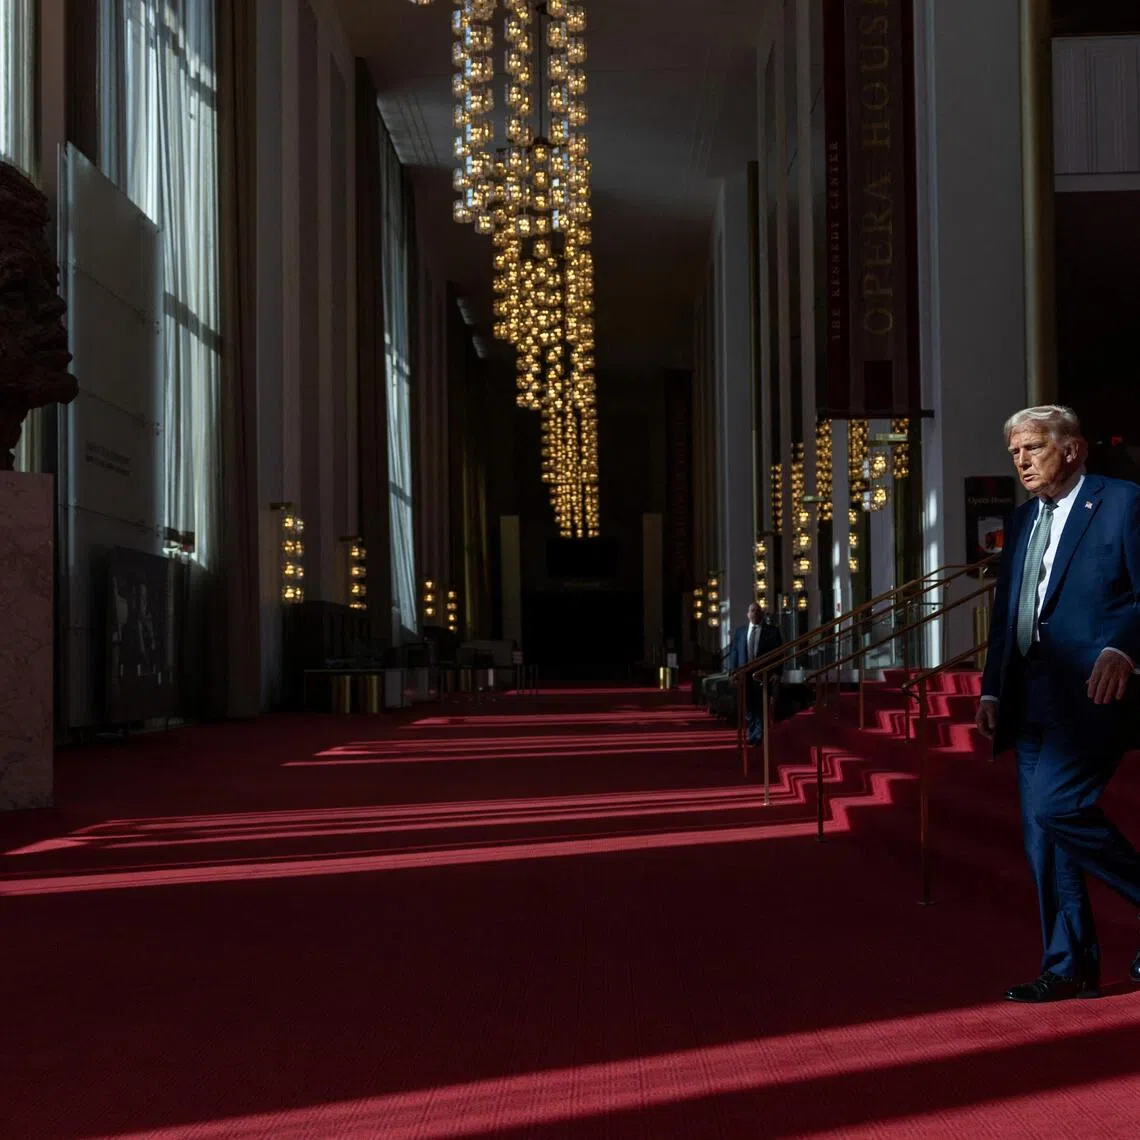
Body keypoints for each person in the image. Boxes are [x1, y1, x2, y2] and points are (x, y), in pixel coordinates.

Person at [975, 404, 1140, 1003]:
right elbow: (1006, 614)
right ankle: (1069, 965)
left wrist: (1123, 647)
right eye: (1015, 452)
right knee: (1042, 841)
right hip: (1029, 694)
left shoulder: (1122, 502)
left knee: (1056, 808)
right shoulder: (1022, 522)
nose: (1021, 461)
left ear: (1073, 449)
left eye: (1033, 449)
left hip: (1094, 690)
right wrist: (993, 686)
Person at [729, 602, 782, 745]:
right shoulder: (740, 632)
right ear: (748, 614)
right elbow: (734, 653)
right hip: (744, 675)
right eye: (752, 611)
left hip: (764, 674)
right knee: (749, 706)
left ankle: (758, 736)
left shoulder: (772, 631)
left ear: (762, 614)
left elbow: (779, 654)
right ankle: (752, 733)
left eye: (758, 611)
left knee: (761, 705)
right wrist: (732, 672)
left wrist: (777, 672)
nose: (755, 613)